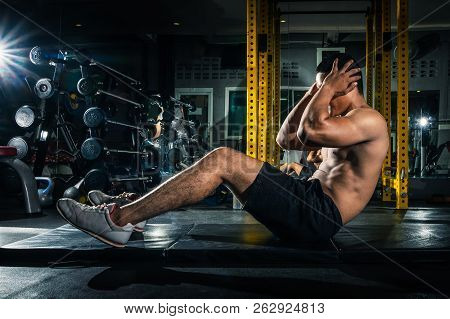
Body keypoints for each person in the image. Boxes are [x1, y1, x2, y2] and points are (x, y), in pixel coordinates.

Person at [56, 53, 389, 247]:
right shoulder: (341, 120)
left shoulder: (368, 121)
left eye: (327, 91)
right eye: (320, 90)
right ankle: (134, 213)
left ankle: (117, 221)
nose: (323, 97)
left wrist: (327, 87)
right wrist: (316, 89)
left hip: (318, 215)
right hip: (308, 199)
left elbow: (309, 129)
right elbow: (286, 140)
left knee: (221, 160)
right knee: (220, 163)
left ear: (347, 86)